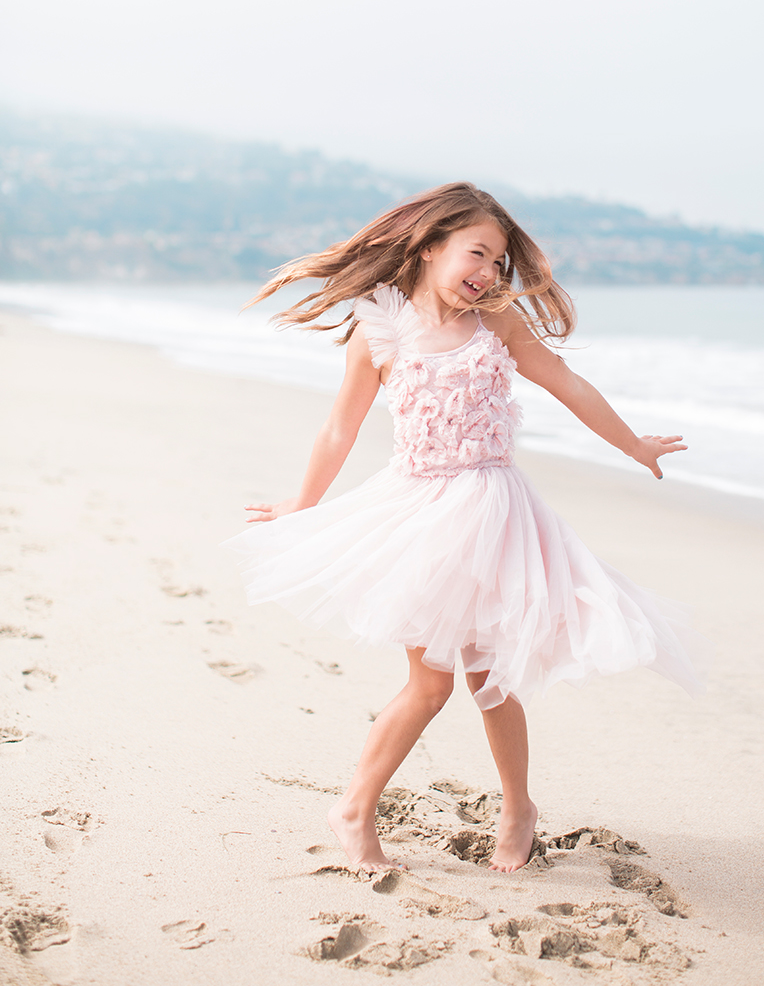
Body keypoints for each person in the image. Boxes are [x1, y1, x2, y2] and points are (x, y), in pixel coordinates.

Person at [224, 182, 706, 875]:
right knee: (430, 684)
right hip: (420, 518)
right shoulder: (380, 331)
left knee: (494, 681)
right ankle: (355, 808)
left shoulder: (497, 325)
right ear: (428, 247)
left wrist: (634, 444)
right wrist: (301, 502)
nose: (488, 271)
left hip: (498, 516)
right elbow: (340, 427)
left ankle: (518, 810)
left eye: (499, 260)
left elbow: (566, 381)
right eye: (477, 252)